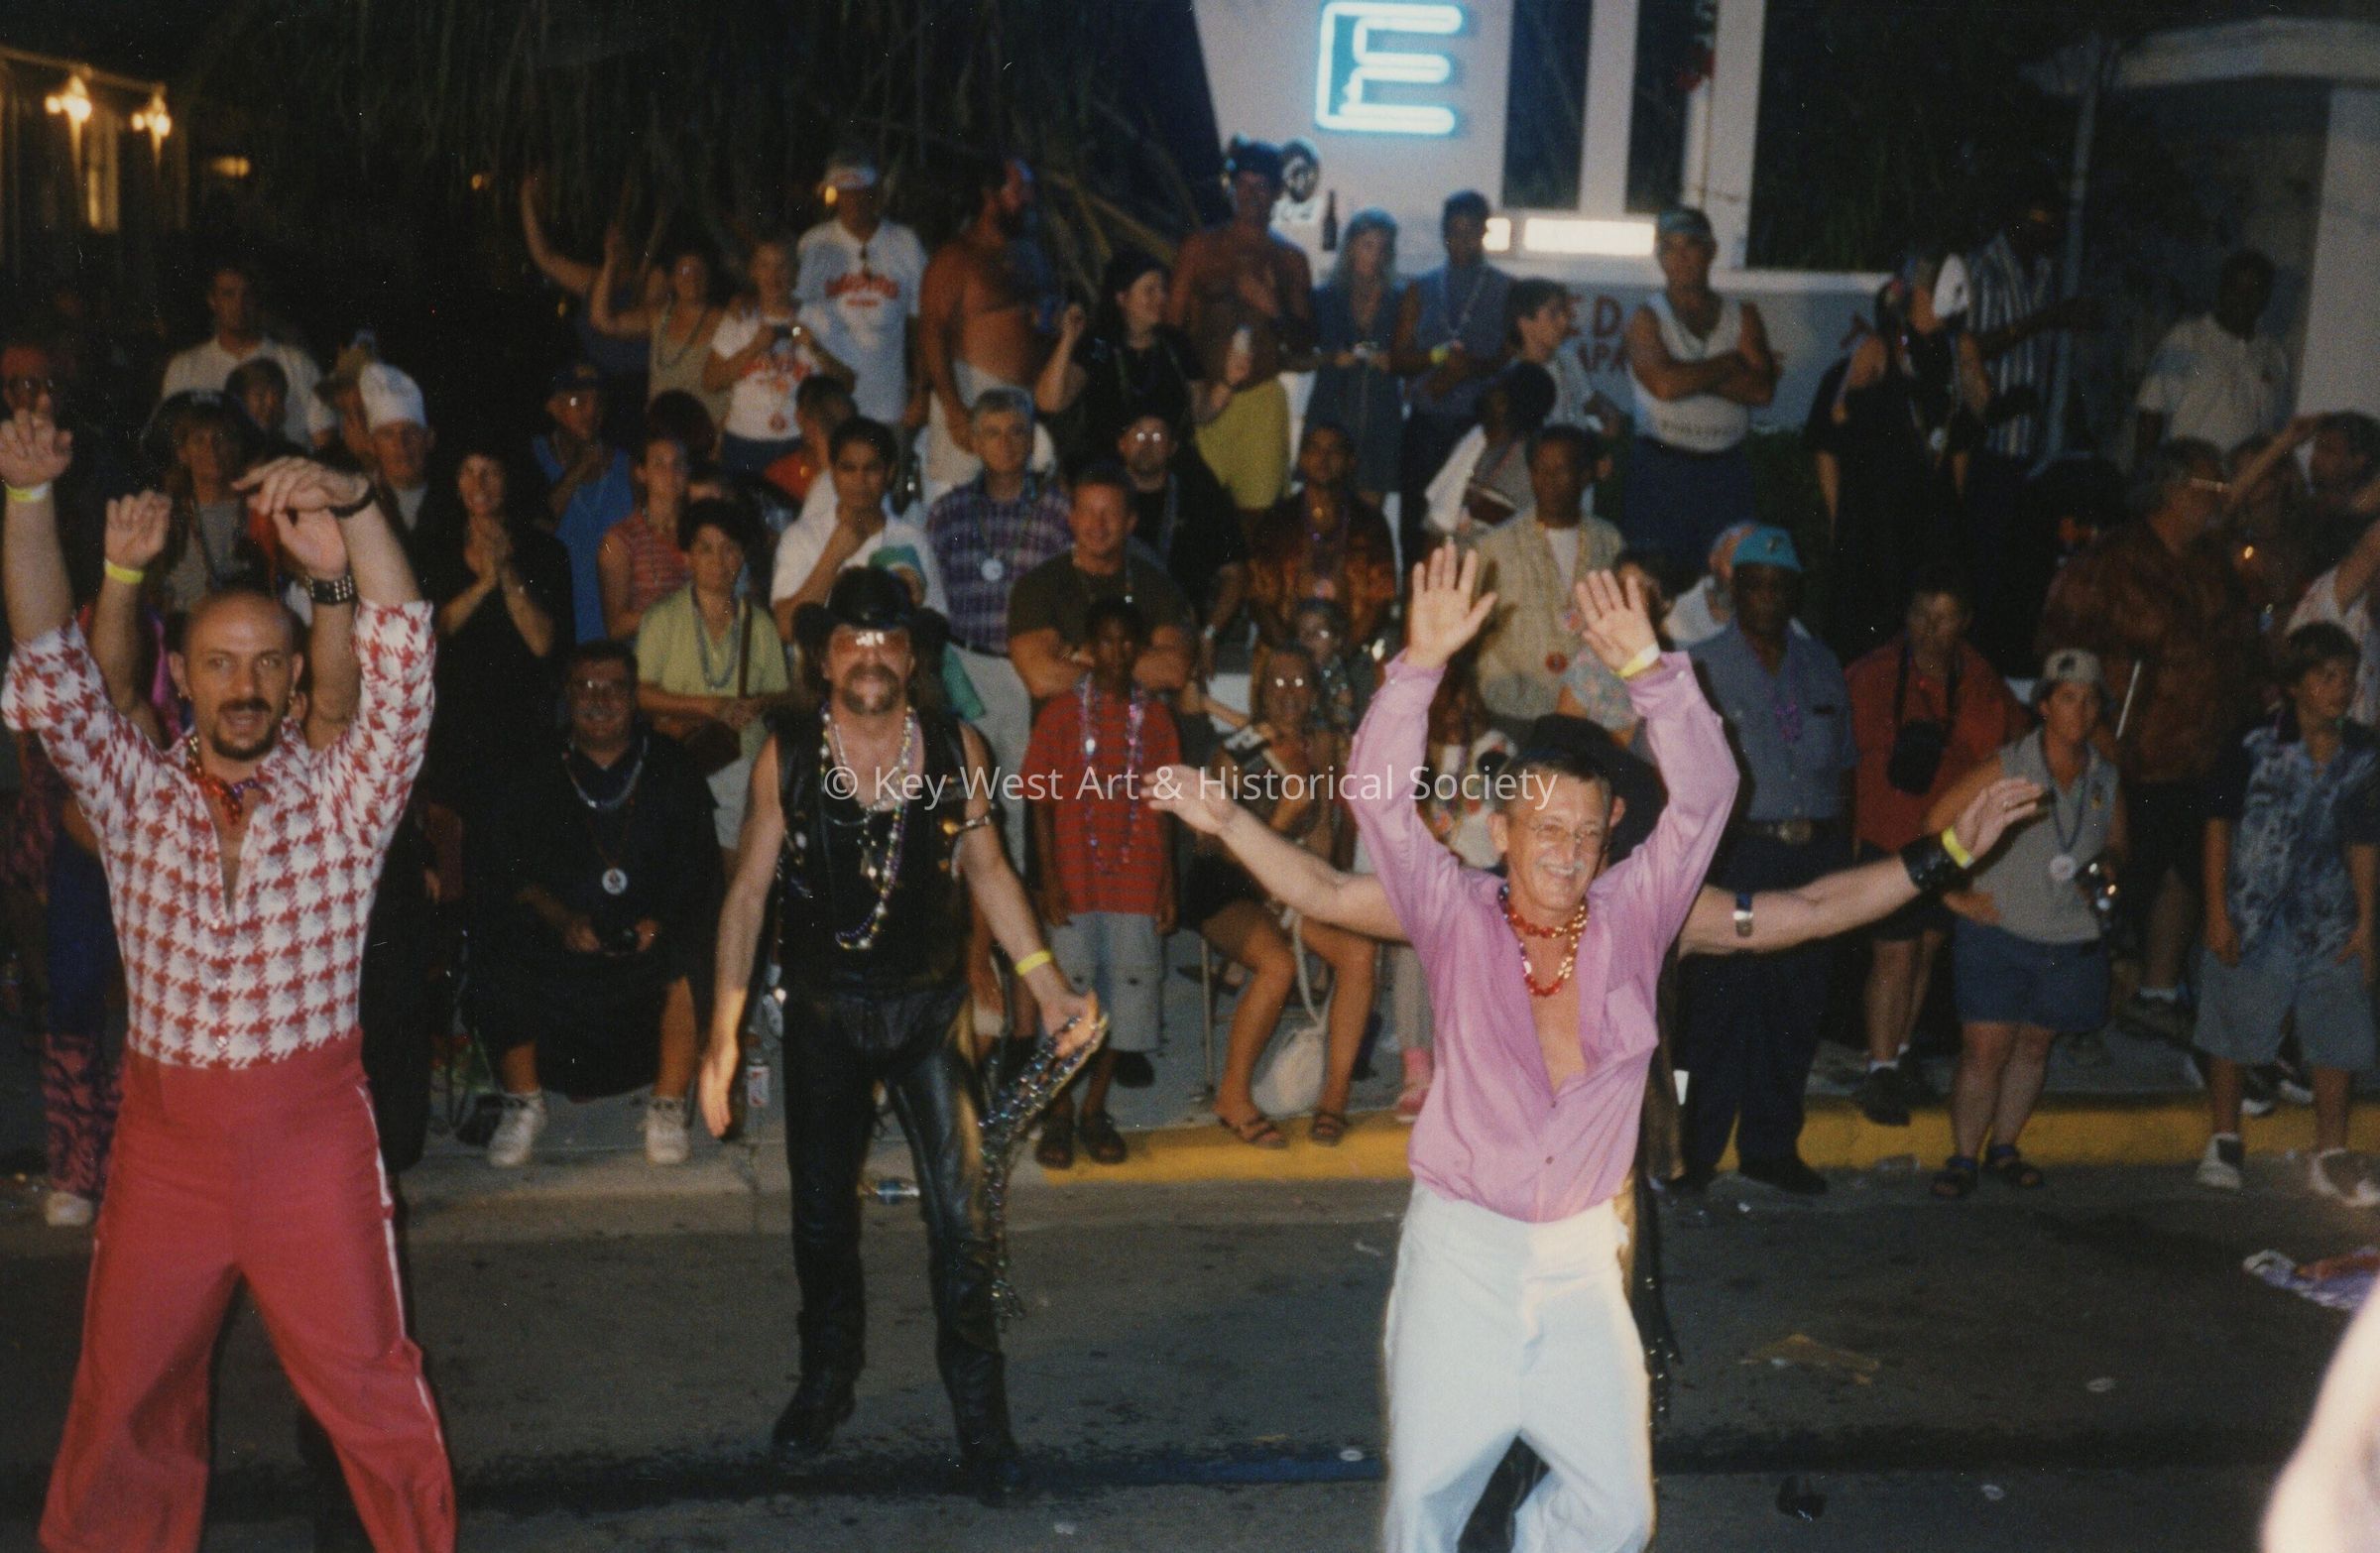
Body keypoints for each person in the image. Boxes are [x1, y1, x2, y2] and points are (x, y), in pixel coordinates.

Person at [1, 414, 454, 1549]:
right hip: (166, 1150)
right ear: (184, 677)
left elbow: (403, 649)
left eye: (265, 663)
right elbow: (51, 662)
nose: (243, 685)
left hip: (313, 1144)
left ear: (296, 678)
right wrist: (26, 500)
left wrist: (356, 503)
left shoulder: (347, 799)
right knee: (125, 1396)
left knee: (375, 1394)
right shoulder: (130, 793)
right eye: (219, 663)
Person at [1339, 547, 1731, 1552]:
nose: (1565, 850)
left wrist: (1651, 670)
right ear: (1503, 829)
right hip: (1462, 1255)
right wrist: (1419, 666)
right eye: (1545, 826)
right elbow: (1376, 799)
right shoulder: (1453, 912)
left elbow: (1707, 797)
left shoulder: (1634, 917)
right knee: (1423, 1509)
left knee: (1617, 1512)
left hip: (1581, 1262)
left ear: (1609, 838)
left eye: (1586, 833)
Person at [695, 567, 1096, 1505]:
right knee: (820, 1218)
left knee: (964, 1220)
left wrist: (1048, 984)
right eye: (852, 642)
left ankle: (980, 1418)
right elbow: (747, 895)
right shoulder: (789, 755)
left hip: (926, 1012)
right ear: (825, 657)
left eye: (887, 643)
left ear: (913, 659)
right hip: (826, 1014)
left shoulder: (958, 748)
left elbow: (989, 870)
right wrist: (723, 1036)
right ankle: (827, 1378)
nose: (869, 658)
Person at [2037, 439, 2259, 1045]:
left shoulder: (2214, 562)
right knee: (2109, 880)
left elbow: (2240, 644)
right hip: (2129, 752)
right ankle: (2077, 1009)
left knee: (2183, 875)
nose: (2221, 500)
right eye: (2212, 488)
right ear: (2173, 490)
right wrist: (2094, 732)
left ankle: (2156, 993)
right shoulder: (2112, 560)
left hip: (2200, 751)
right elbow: (2058, 645)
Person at [473, 640, 722, 1170]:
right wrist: (563, 920)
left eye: (614, 688)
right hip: (559, 947)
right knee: (496, 939)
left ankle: (668, 1106)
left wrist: (660, 921)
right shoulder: (533, 768)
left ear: (633, 698)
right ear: (568, 695)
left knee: (697, 944)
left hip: (648, 949)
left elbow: (699, 870)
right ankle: (523, 1104)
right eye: (586, 687)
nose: (600, 700)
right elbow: (507, 871)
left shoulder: (672, 767)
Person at [1678, 528, 1856, 1195]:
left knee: (1794, 1007)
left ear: (1793, 593)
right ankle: (1690, 1153)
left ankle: (1770, 1147)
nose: (1767, 598)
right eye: (1754, 585)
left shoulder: (1823, 665)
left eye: (1780, 587)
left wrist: (1843, 859)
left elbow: (1845, 767)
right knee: (1714, 1012)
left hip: (1811, 857)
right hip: (1736, 854)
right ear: (1734, 591)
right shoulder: (1698, 666)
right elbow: (1664, 765)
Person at [1924, 650, 2123, 1197]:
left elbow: (2118, 844)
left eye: (2090, 700)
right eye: (2068, 698)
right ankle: (1963, 1157)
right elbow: (1936, 821)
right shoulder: (2008, 766)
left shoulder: (2104, 774)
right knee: (1985, 1048)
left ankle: (2004, 1148)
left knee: (2035, 1046)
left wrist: (2107, 868)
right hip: (2000, 929)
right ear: (2043, 706)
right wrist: (1951, 895)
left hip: (2068, 935)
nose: (2080, 711)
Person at [2194, 624, 2380, 1201]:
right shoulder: (2253, 741)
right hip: (2255, 913)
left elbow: (2365, 840)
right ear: (2295, 684)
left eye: (2348, 677)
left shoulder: (2364, 750)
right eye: (2327, 676)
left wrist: (2366, 924)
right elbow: (2218, 826)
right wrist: (2218, 911)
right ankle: (2225, 1137)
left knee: (2337, 1031)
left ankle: (2331, 1153)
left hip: (2330, 917)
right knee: (2233, 1023)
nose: (2341, 688)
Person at [1842, 568, 2026, 1127]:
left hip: (1949, 839)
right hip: (1888, 831)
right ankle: (1878, 1068)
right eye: (1921, 615)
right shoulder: (1873, 673)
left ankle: (1899, 1056)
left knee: (1925, 949)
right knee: (1894, 954)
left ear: (1964, 622)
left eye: (1944, 618)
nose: (1929, 629)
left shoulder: (1979, 680)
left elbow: (2009, 746)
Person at [1188, 643, 1380, 1148]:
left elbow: (1332, 827)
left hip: (1293, 885)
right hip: (1229, 884)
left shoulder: (1325, 745)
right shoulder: (1238, 751)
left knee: (1359, 953)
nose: (1288, 693)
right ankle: (1232, 1097)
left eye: (1299, 682)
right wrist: (1279, 822)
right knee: (1278, 964)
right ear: (1260, 690)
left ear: (1315, 690)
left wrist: (1331, 893)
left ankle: (1333, 1096)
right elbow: (1210, 847)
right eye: (1277, 682)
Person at [1021, 598, 1180, 1167]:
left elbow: (1166, 804)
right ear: (1090, 648)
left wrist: (1167, 884)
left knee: (1121, 998)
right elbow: (1039, 800)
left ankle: (1094, 1109)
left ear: (1139, 649)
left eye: (1127, 641)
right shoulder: (1061, 714)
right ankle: (1059, 1112)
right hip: (1075, 876)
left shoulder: (1155, 720)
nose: (1117, 652)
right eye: (1106, 641)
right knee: (1071, 993)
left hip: (1135, 877)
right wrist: (1048, 879)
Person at [1817, 250, 1992, 660]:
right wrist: (1839, 518)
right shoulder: (1879, 347)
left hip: (1931, 518)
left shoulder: (1955, 349)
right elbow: (1837, 423)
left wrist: (1967, 358)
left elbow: (1972, 423)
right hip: (1877, 517)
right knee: (1869, 635)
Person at [926, 387, 1075, 848]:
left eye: (1016, 432)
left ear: (1031, 439)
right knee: (965, 791)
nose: (1005, 444)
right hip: (966, 668)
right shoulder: (948, 513)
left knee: (1020, 796)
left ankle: (1016, 884)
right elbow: (932, 595)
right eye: (991, 433)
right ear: (973, 442)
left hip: (1028, 670)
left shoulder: (1059, 511)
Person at [416, 440, 571, 825]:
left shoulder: (546, 553)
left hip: (523, 733)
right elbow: (430, 633)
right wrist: (482, 586)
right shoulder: (433, 549)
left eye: (490, 472)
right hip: (454, 731)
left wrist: (505, 571)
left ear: (510, 479)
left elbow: (543, 643)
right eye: (468, 472)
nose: (478, 484)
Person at [637, 498, 794, 856]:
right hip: (678, 762)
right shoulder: (661, 618)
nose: (718, 561)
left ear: (742, 556)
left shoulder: (760, 625)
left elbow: (782, 695)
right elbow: (640, 694)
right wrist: (709, 706)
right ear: (687, 557)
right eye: (705, 549)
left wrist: (759, 703)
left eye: (729, 549)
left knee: (734, 869)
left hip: (742, 766)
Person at [1621, 206, 1777, 568]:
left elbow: (1761, 391)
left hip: (1726, 472)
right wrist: (1729, 364)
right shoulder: (1645, 317)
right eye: (1669, 248)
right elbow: (1664, 386)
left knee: (1727, 576)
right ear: (1659, 257)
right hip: (1661, 470)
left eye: (1690, 245)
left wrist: (1683, 373)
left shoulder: (1742, 315)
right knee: (1656, 579)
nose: (1680, 258)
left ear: (1711, 251)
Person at [1168, 139, 1314, 521]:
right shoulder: (1199, 248)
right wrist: (1192, 394)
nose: (1250, 196)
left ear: (1276, 193)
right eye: (1243, 185)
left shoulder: (1290, 259)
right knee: (1197, 518)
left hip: (1261, 402)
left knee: (1258, 523)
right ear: (1231, 188)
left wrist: (1273, 308)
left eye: (1260, 187)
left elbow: (1305, 344)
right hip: (1204, 400)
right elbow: (1171, 327)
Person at [919, 154, 1060, 504]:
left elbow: (1049, 316)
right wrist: (953, 408)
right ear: (990, 195)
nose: (1029, 198)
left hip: (1023, 402)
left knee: (1019, 503)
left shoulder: (1031, 255)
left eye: (1030, 189)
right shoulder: (956, 259)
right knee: (955, 499)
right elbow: (932, 332)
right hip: (971, 396)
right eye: (1019, 189)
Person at [1471, 424, 1623, 733]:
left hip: (1585, 712)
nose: (1549, 481)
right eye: (1540, 470)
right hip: (1512, 709)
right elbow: (1471, 633)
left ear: (1584, 476)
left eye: (1561, 471)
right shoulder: (1496, 546)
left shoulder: (1608, 542)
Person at [1392, 191, 1513, 566]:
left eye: (1471, 231)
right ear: (1444, 233)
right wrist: (1437, 361)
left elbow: (1510, 356)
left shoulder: (1505, 288)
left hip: (1480, 428)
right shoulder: (1421, 287)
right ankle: (1415, 598)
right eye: (1454, 231)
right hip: (1427, 426)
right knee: (1417, 527)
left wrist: (1470, 367)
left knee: (1471, 530)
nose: (1462, 240)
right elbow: (1398, 359)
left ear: (1484, 232)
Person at [1006, 463, 1196, 701]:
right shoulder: (1036, 586)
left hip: (1139, 722)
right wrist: (1136, 659)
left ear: (1130, 522)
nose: (1098, 524)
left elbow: (1174, 670)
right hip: (1064, 723)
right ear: (1072, 519)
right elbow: (1042, 678)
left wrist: (1079, 658)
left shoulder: (1157, 584)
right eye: (1088, 512)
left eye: (1110, 513)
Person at [772, 417, 947, 631]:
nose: (859, 480)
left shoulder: (911, 538)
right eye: (848, 468)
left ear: (890, 472)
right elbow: (786, 627)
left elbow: (936, 627)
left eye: (871, 468)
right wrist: (832, 556)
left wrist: (910, 603)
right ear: (833, 473)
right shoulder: (801, 536)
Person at [797, 151, 930, 432]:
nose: (854, 201)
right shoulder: (814, 243)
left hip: (886, 403)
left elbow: (922, 324)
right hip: (826, 402)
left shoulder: (905, 243)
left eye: (861, 192)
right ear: (834, 196)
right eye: (845, 193)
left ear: (875, 194)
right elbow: (790, 309)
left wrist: (921, 392)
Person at [1037, 249, 1208, 468]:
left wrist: (1228, 382)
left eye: (1163, 290)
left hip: (1168, 467)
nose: (1162, 297)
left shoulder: (1176, 344)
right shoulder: (1101, 345)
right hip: (1108, 470)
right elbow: (1050, 402)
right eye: (1150, 290)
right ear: (1122, 297)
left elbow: (1201, 411)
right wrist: (1068, 340)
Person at [704, 235, 856, 475]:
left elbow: (848, 383)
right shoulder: (739, 317)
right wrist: (753, 348)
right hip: (744, 441)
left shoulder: (817, 317)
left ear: (796, 272)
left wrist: (814, 347)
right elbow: (710, 381)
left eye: (782, 266)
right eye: (765, 266)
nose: (773, 276)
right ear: (753, 271)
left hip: (798, 441)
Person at [1246, 421, 1399, 657]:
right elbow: (1257, 596)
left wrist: (1343, 654)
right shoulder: (1276, 520)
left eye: (1334, 450)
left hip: (1350, 654)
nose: (1323, 458)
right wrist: (1292, 655)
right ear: (1301, 459)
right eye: (1314, 449)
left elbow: (1381, 598)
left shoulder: (1370, 523)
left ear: (1351, 462)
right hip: (1284, 655)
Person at [2133, 250, 2288, 467]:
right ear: (2222, 290)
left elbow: (2273, 431)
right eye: (2236, 288)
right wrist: (2143, 473)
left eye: (2253, 291)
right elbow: (2152, 410)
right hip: (2188, 474)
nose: (2243, 298)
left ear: (2265, 297)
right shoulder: (2186, 338)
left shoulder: (2274, 356)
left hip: (2243, 479)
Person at [157, 262, 333, 449]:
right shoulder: (184, 368)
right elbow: (174, 442)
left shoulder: (298, 363)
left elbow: (325, 440)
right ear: (212, 300)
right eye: (228, 294)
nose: (238, 304)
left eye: (247, 294)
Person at [1116, 413, 1247, 657]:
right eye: (1139, 434)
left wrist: (1209, 634)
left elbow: (1234, 573)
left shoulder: (1201, 499)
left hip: (1180, 636)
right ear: (1121, 444)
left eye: (1157, 436)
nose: (1147, 445)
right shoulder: (1101, 500)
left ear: (1173, 447)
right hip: (1114, 634)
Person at [1306, 207, 1405, 506]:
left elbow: (1414, 357)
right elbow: (1296, 357)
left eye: (1382, 248)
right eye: (1368, 246)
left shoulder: (1400, 300)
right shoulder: (1324, 298)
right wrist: (1330, 358)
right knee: (1325, 510)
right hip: (1331, 411)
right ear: (1350, 247)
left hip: (1379, 415)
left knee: (1369, 518)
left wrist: (1392, 361)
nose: (1375, 256)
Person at [592, 238, 731, 427]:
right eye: (684, 271)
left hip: (708, 434)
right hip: (663, 434)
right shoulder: (659, 317)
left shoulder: (725, 321)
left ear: (709, 277)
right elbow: (603, 321)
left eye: (699, 271)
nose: (692, 278)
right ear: (672, 279)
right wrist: (610, 263)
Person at [152, 395, 266, 619]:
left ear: (237, 447)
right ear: (183, 453)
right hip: (183, 625)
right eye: (198, 440)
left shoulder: (259, 509)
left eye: (221, 438)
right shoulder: (168, 515)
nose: (211, 449)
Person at [1422, 362, 1558, 542]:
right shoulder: (1474, 443)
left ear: (1502, 405)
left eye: (1496, 385)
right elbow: (1435, 528)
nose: (1487, 387)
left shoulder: (1527, 467)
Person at [597, 431, 694, 641]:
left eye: (678, 464)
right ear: (642, 473)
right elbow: (616, 626)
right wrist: (675, 615)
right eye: (659, 464)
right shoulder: (621, 539)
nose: (670, 473)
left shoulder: (701, 534)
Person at [357, 362, 449, 546]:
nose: (400, 444)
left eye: (411, 432)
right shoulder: (359, 498)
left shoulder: (452, 500)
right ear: (372, 444)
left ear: (429, 439)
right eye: (387, 434)